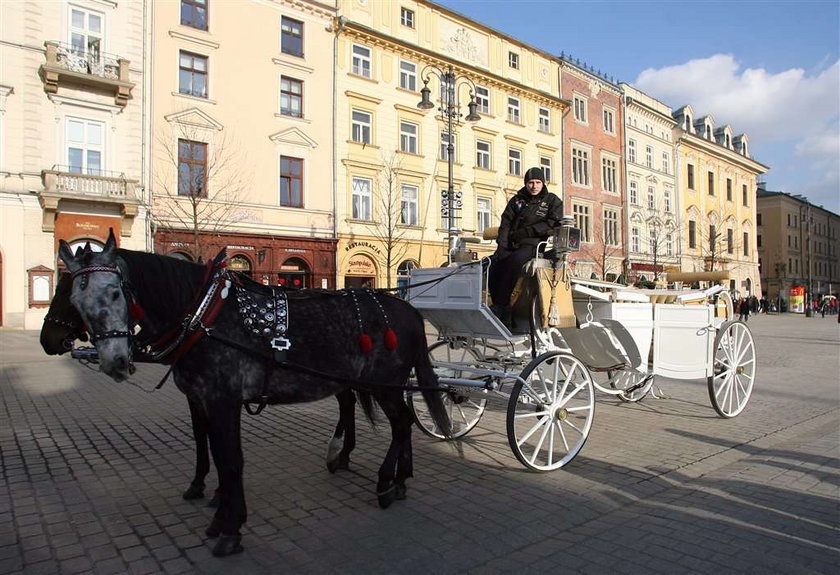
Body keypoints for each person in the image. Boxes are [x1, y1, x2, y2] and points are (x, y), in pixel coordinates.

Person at [488, 167, 563, 326]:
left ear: (543, 183)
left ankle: (504, 306)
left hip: (535, 246)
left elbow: (553, 223)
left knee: (513, 262)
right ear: (526, 183)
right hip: (512, 244)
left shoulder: (551, 201)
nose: (534, 186)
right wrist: (501, 246)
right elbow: (505, 223)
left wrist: (529, 231)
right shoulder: (517, 200)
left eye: (537, 182)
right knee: (491, 265)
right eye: (530, 182)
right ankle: (499, 306)